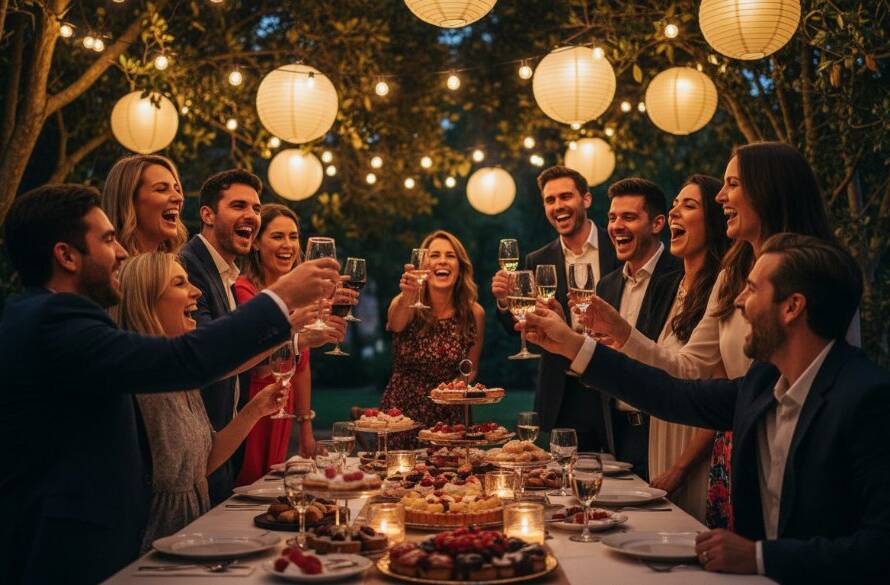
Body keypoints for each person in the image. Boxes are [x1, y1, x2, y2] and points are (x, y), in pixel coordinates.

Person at [0, 184, 339, 585]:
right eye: (108, 240)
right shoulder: (53, 320)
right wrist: (279, 300)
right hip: (65, 553)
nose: (123, 252)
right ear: (66, 255)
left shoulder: (44, 315)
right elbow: (182, 359)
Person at [522, 233, 889, 584]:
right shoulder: (764, 382)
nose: (739, 302)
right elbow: (674, 395)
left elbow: (879, 549)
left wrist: (759, 556)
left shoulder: (866, 400)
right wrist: (573, 346)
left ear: (792, 307)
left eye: (752, 289)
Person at [579, 142, 859, 529]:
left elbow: (836, 375)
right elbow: (689, 368)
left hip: (800, 445)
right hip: (742, 445)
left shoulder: (822, 272)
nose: (720, 195)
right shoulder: (732, 275)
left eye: (732, 183)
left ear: (769, 189)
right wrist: (601, 339)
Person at [115, 252, 289, 550]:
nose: (196, 291)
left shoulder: (179, 378)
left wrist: (256, 408)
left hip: (193, 538)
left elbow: (203, 463)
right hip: (152, 549)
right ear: (147, 300)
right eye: (180, 283)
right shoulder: (138, 384)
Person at [492, 166, 619, 451]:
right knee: (565, 480)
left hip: (615, 384)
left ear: (586, 199)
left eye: (565, 197)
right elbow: (516, 326)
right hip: (565, 392)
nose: (558, 206)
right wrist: (505, 301)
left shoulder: (618, 247)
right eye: (550, 200)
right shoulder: (537, 259)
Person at [234, 204, 345, 485]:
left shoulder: (300, 298)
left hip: (283, 405)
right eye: (278, 236)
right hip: (255, 404)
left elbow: (301, 367)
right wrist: (301, 337)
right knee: (247, 486)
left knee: (272, 484)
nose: (288, 245)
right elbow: (258, 366)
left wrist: (305, 428)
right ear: (257, 243)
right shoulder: (245, 292)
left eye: (294, 237)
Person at [646, 175, 729, 522]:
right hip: (661, 430)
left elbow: (720, 391)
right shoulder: (672, 287)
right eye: (675, 204)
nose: (675, 212)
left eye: (689, 205)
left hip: (694, 447)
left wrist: (680, 468)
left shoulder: (722, 287)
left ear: (713, 219)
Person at [179, 168, 264, 504]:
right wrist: (289, 324)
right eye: (239, 206)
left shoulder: (225, 272)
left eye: (257, 209)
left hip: (221, 448)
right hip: (195, 453)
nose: (252, 216)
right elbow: (208, 355)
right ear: (207, 214)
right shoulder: (187, 265)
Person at [589, 177, 682, 479]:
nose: (616, 226)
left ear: (657, 224)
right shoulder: (607, 284)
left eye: (629, 217)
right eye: (613, 217)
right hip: (616, 437)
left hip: (663, 432)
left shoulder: (680, 276)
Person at [381, 230, 485, 448]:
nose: (442, 261)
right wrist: (408, 295)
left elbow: (471, 368)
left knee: (453, 481)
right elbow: (396, 322)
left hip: (451, 419)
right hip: (402, 414)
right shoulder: (405, 303)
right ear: (423, 265)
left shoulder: (474, 313)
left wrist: (455, 388)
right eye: (435, 255)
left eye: (450, 255)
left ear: (460, 267)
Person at [102, 154, 188, 254]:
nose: (179, 198)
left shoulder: (176, 266)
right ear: (128, 201)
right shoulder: (107, 268)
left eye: (177, 189)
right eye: (161, 189)